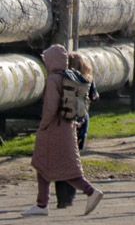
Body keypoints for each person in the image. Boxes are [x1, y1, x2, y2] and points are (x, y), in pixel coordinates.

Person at [23, 45, 103, 216]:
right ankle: (42, 204)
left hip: (53, 129)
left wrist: (43, 125)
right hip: (67, 126)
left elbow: (50, 108)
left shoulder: (53, 79)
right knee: (45, 165)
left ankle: (90, 192)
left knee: (59, 167)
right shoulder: (69, 76)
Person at [54, 52, 99, 208]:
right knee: (74, 160)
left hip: (64, 121)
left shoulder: (61, 78)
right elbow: (94, 97)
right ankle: (70, 197)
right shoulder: (87, 78)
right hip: (81, 121)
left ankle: (62, 199)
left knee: (60, 161)